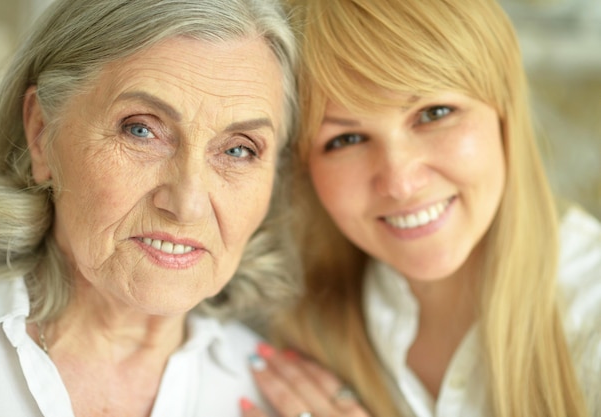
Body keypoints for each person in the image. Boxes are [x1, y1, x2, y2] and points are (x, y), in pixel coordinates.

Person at [241, 0, 601, 416]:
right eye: (345, 140)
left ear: (506, 112)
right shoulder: (285, 325)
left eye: (434, 113)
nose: (400, 183)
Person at [0, 0, 299, 416]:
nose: (187, 205)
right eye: (141, 129)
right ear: (41, 133)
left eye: (238, 150)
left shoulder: (272, 398)